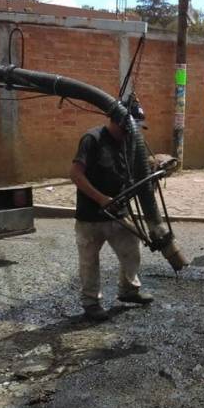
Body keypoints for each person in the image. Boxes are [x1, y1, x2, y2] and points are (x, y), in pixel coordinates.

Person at [70, 118, 154, 322]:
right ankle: (91, 302)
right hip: (90, 216)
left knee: (131, 251)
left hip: (118, 213)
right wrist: (101, 199)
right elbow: (75, 174)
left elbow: (132, 174)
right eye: (128, 128)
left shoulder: (128, 142)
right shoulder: (92, 139)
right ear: (116, 121)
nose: (130, 132)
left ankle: (128, 291)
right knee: (89, 261)